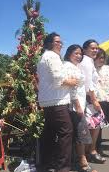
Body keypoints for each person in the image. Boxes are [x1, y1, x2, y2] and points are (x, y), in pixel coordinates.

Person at [37, 32, 78, 172]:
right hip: (57, 101)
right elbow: (58, 80)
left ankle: (46, 165)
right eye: (57, 42)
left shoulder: (44, 57)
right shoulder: (52, 56)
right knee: (66, 133)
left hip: (49, 101)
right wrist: (72, 81)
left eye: (61, 42)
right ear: (49, 43)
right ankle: (63, 168)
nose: (60, 44)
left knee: (49, 133)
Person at [64, 44, 97, 172]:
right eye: (76, 53)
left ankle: (79, 161)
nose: (79, 56)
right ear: (69, 53)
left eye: (80, 54)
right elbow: (72, 88)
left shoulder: (76, 66)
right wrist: (77, 105)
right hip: (74, 106)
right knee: (81, 132)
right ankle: (83, 163)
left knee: (79, 133)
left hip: (80, 104)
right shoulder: (68, 66)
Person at [79, 40, 106, 164]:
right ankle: (88, 153)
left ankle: (90, 151)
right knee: (91, 127)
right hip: (88, 100)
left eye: (96, 48)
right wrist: (94, 100)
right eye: (92, 48)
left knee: (94, 126)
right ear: (84, 49)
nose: (95, 50)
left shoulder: (88, 61)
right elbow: (88, 83)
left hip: (89, 99)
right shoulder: (86, 61)